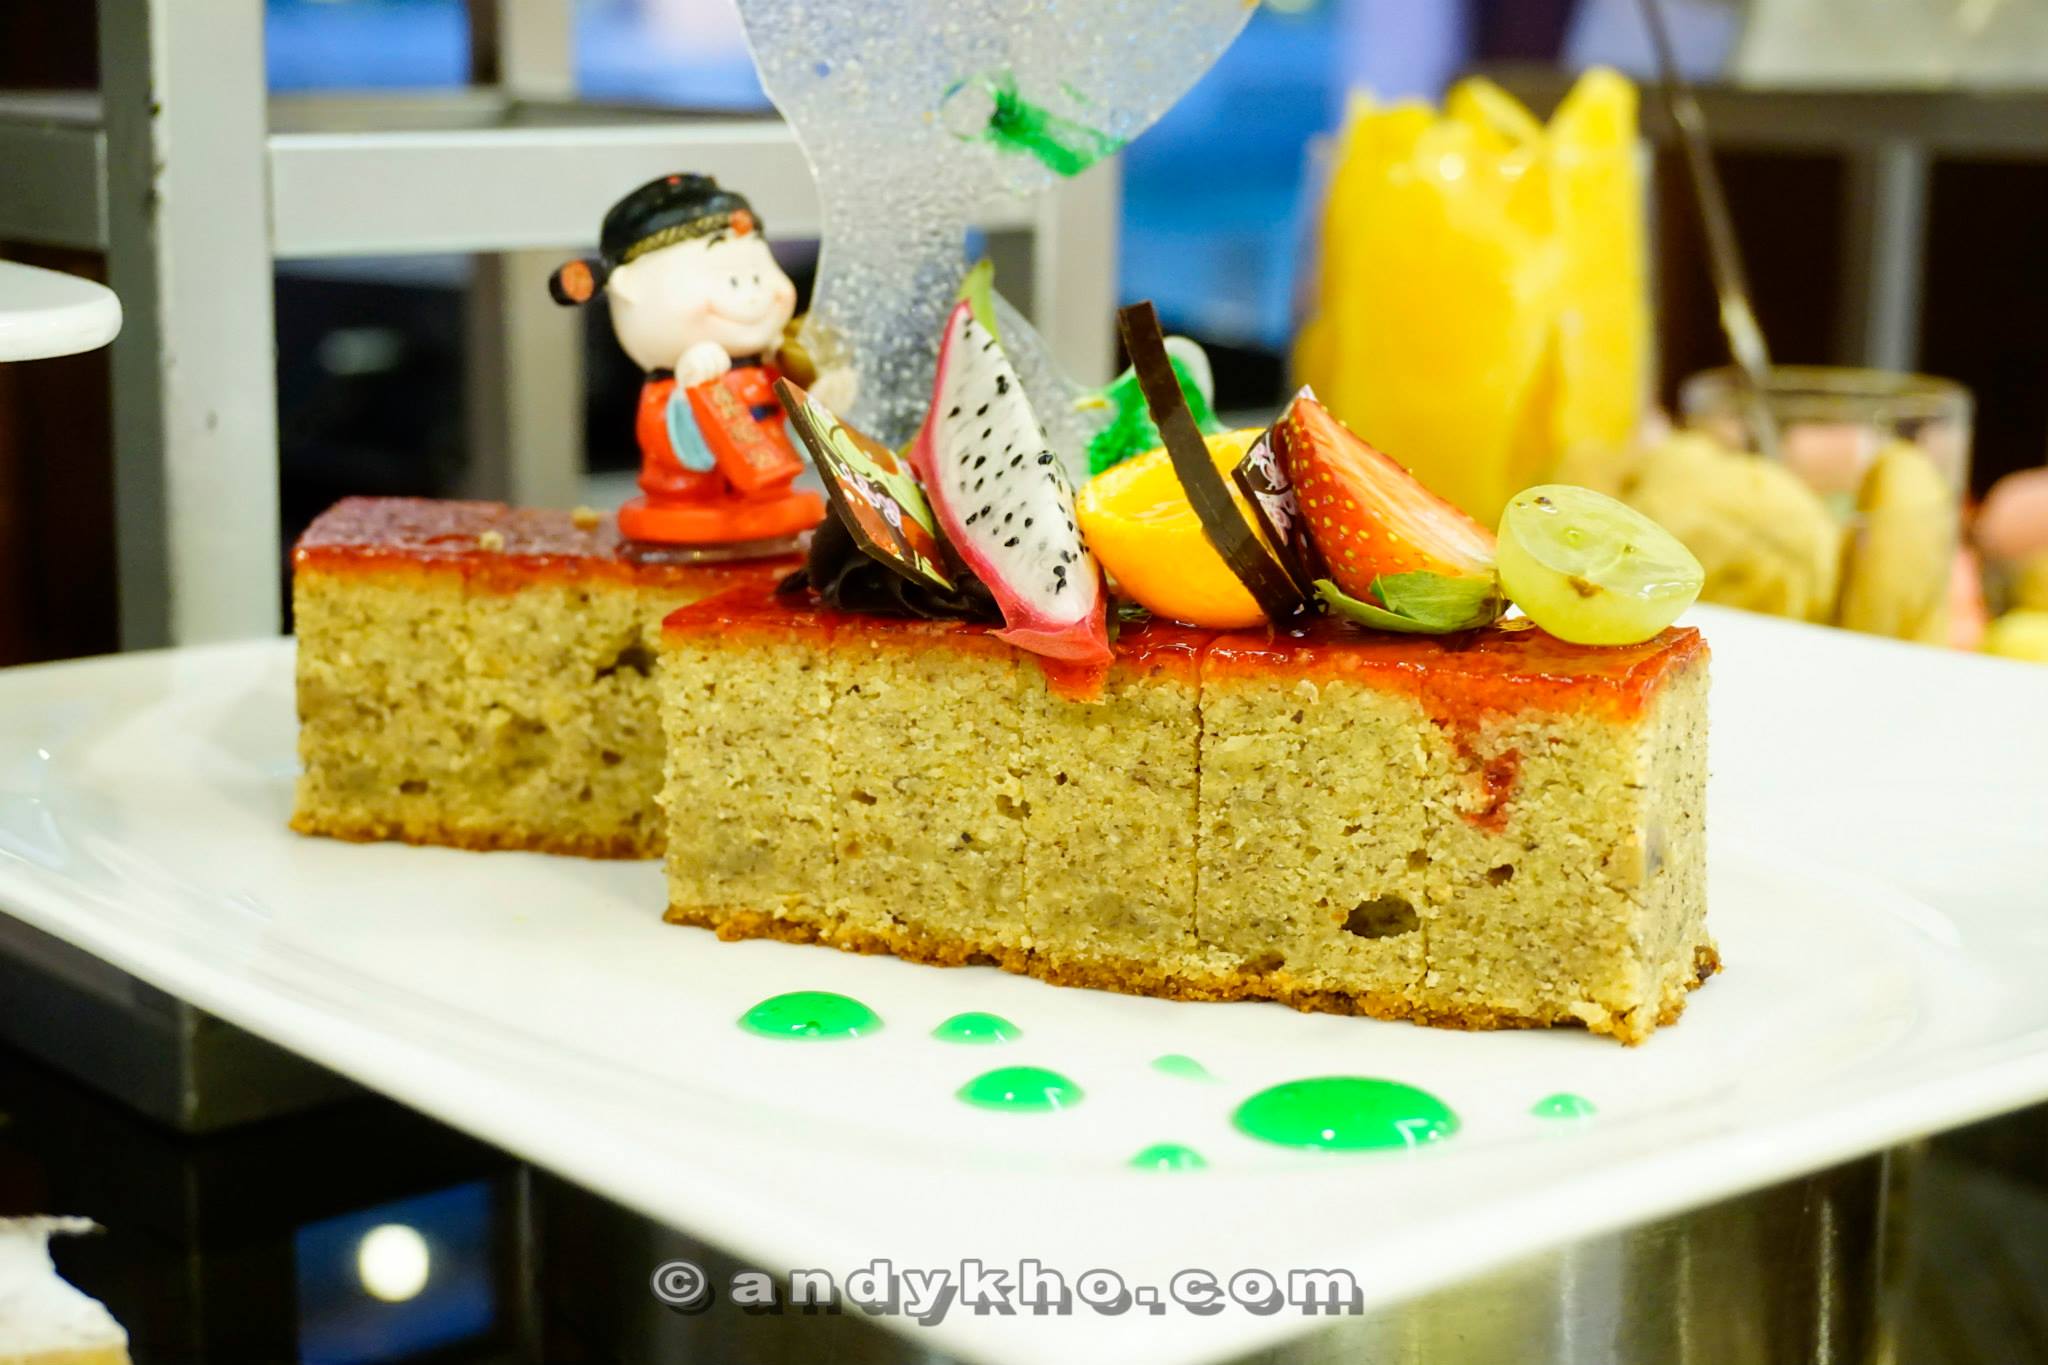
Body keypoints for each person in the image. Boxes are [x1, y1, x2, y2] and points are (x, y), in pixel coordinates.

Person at [550, 173, 848, 547]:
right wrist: (690, 391)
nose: (753, 295)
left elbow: (783, 432)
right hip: (688, 503)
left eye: (758, 275)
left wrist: (821, 404)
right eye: (733, 281)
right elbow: (675, 448)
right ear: (630, 288)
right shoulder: (667, 389)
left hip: (773, 506)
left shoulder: (769, 369)